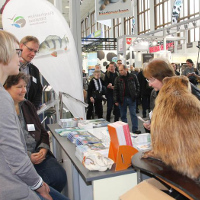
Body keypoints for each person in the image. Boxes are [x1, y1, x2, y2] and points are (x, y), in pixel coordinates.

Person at [0, 30, 69, 200]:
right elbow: (13, 153)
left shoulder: (24, 104)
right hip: (14, 186)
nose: (20, 58)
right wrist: (38, 185)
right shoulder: (3, 99)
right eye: (17, 52)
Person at [4, 72, 67, 193]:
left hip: (38, 154)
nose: (24, 91)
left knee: (59, 176)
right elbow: (7, 148)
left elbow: (42, 132)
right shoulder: (4, 111)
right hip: (19, 162)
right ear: (6, 88)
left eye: (25, 86)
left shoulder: (28, 105)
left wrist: (43, 149)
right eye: (19, 87)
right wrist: (28, 157)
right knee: (43, 183)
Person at [143, 58, 200, 131]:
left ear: (163, 77)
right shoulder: (155, 93)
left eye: (152, 79)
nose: (150, 84)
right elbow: (155, 116)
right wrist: (151, 124)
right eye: (148, 80)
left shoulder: (186, 89)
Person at [113, 64, 141, 134]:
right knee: (123, 115)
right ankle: (125, 130)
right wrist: (116, 100)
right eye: (119, 70)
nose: (120, 72)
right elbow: (115, 90)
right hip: (122, 99)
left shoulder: (133, 76)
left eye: (122, 70)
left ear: (126, 69)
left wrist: (136, 95)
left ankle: (135, 129)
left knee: (133, 114)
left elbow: (138, 86)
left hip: (132, 98)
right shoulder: (117, 78)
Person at [19, 36, 43, 109]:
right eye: (30, 49)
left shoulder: (34, 70)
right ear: (21, 46)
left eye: (35, 51)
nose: (33, 54)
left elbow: (39, 89)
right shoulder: (11, 67)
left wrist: (32, 108)